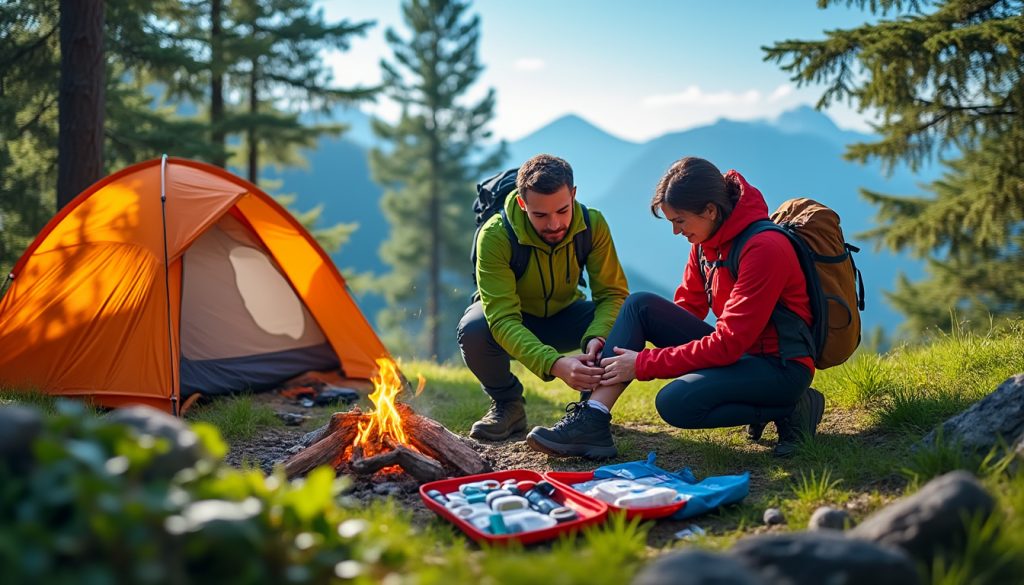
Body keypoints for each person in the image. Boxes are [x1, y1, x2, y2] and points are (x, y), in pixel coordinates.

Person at [526, 156, 825, 459]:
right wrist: (613, 342)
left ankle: (793, 406)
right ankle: (592, 417)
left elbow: (729, 344)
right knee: (639, 305)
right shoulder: (705, 243)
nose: (675, 232)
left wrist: (643, 363)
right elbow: (685, 311)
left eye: (679, 221)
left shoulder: (764, 248)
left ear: (710, 210)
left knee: (676, 403)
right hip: (744, 355)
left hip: (781, 368)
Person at [458, 154, 629, 442]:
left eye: (563, 210)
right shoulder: (496, 236)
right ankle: (507, 405)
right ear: (523, 204)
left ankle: (591, 411)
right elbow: (501, 319)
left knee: (627, 316)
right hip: (516, 322)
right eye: (540, 215)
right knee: (474, 328)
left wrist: (596, 338)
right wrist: (555, 364)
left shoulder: (593, 224)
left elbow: (612, 294)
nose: (554, 224)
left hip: (566, 314)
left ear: (573, 195)